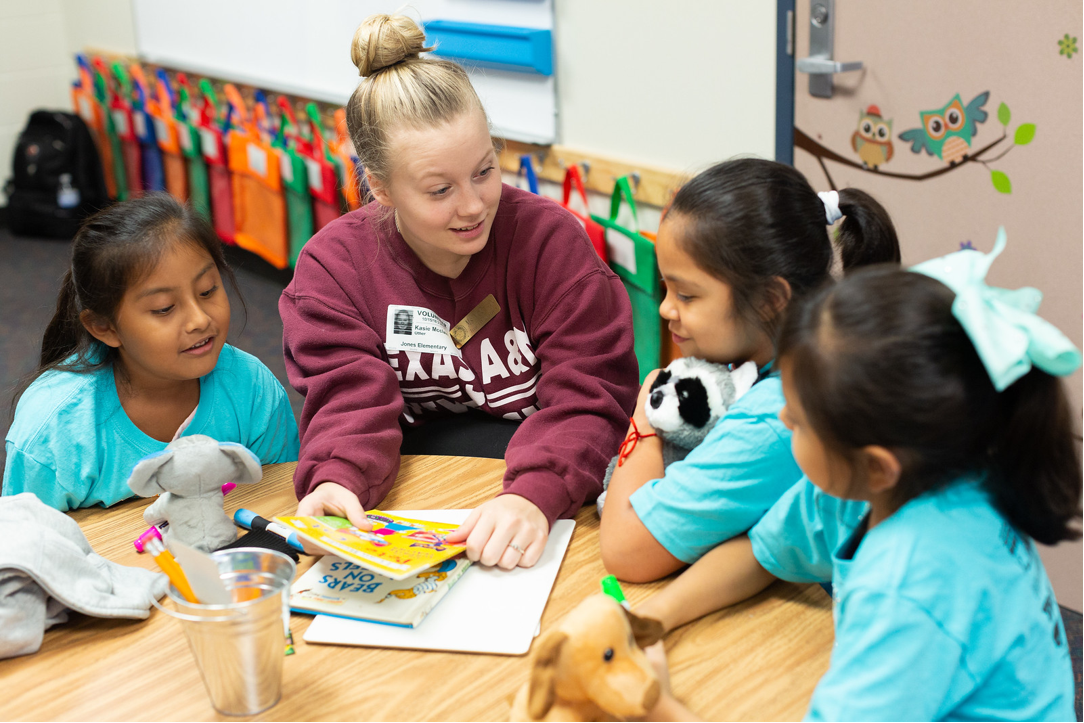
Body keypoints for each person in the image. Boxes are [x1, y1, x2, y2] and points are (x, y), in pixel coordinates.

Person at [637, 236, 1082, 721]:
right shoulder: (898, 479)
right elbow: (762, 552)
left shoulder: (911, 582)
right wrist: (653, 617)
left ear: (874, 464)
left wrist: (657, 706)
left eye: (802, 419)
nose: (783, 417)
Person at [280, 14, 638, 570]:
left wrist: (532, 493)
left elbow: (591, 394)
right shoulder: (334, 270)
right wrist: (336, 478)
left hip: (550, 484)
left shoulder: (550, 244)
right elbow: (347, 402)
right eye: (439, 189)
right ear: (380, 187)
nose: (472, 206)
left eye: (485, 170)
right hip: (414, 486)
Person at [600, 158, 900, 582]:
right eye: (667, 288)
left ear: (769, 299)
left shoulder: (780, 416)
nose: (666, 309)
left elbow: (626, 551)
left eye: (686, 294)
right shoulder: (822, 348)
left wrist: (646, 416)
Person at [3, 194, 300, 511]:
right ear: (106, 328)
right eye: (164, 308)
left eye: (208, 290)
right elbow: (26, 548)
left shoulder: (252, 389)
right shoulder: (54, 431)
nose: (200, 320)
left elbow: (280, 503)